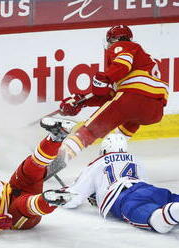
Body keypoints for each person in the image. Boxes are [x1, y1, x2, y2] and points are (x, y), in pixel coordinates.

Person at [55, 25, 169, 176]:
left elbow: (123, 64)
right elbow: (112, 96)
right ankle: (111, 165)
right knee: (118, 139)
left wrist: (106, 77)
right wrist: (82, 101)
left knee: (90, 129)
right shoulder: (145, 62)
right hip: (154, 111)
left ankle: (60, 159)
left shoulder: (124, 46)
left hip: (132, 99)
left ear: (113, 40)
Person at [55, 134, 179, 234]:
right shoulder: (135, 159)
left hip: (124, 198)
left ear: (103, 150)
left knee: (159, 222)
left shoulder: (97, 163)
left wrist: (59, 195)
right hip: (148, 188)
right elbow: (141, 181)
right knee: (169, 198)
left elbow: (75, 196)